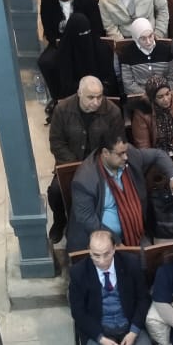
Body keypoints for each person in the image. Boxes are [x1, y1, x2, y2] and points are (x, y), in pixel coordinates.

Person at [67, 121, 173, 253]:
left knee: (152, 260)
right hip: (100, 241)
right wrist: (115, 242)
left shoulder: (129, 155)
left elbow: (158, 155)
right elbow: (88, 220)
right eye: (120, 154)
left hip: (135, 233)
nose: (125, 157)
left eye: (125, 152)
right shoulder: (84, 180)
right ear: (105, 153)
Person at [48, 76, 123, 243]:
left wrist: (100, 164)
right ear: (79, 93)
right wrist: (77, 166)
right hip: (70, 164)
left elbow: (117, 143)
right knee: (55, 192)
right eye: (91, 97)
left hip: (101, 165)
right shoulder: (62, 109)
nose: (96, 102)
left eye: (100, 96)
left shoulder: (112, 112)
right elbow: (56, 143)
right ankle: (60, 221)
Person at [38, 0, 106, 105]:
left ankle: (99, 92)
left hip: (85, 39)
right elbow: (49, 30)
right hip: (61, 42)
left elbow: (97, 26)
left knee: (101, 53)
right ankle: (58, 99)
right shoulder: (47, 0)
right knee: (45, 62)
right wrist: (58, 41)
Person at [131, 75, 173, 159]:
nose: (166, 99)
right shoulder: (141, 113)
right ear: (152, 99)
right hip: (155, 158)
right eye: (160, 97)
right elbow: (144, 146)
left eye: (167, 94)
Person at [120, 17, 173, 96]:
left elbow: (172, 78)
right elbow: (128, 83)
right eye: (143, 38)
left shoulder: (165, 50)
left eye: (150, 36)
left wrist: (165, 93)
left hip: (164, 94)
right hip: (140, 96)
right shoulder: (127, 53)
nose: (148, 42)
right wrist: (148, 95)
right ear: (136, 38)